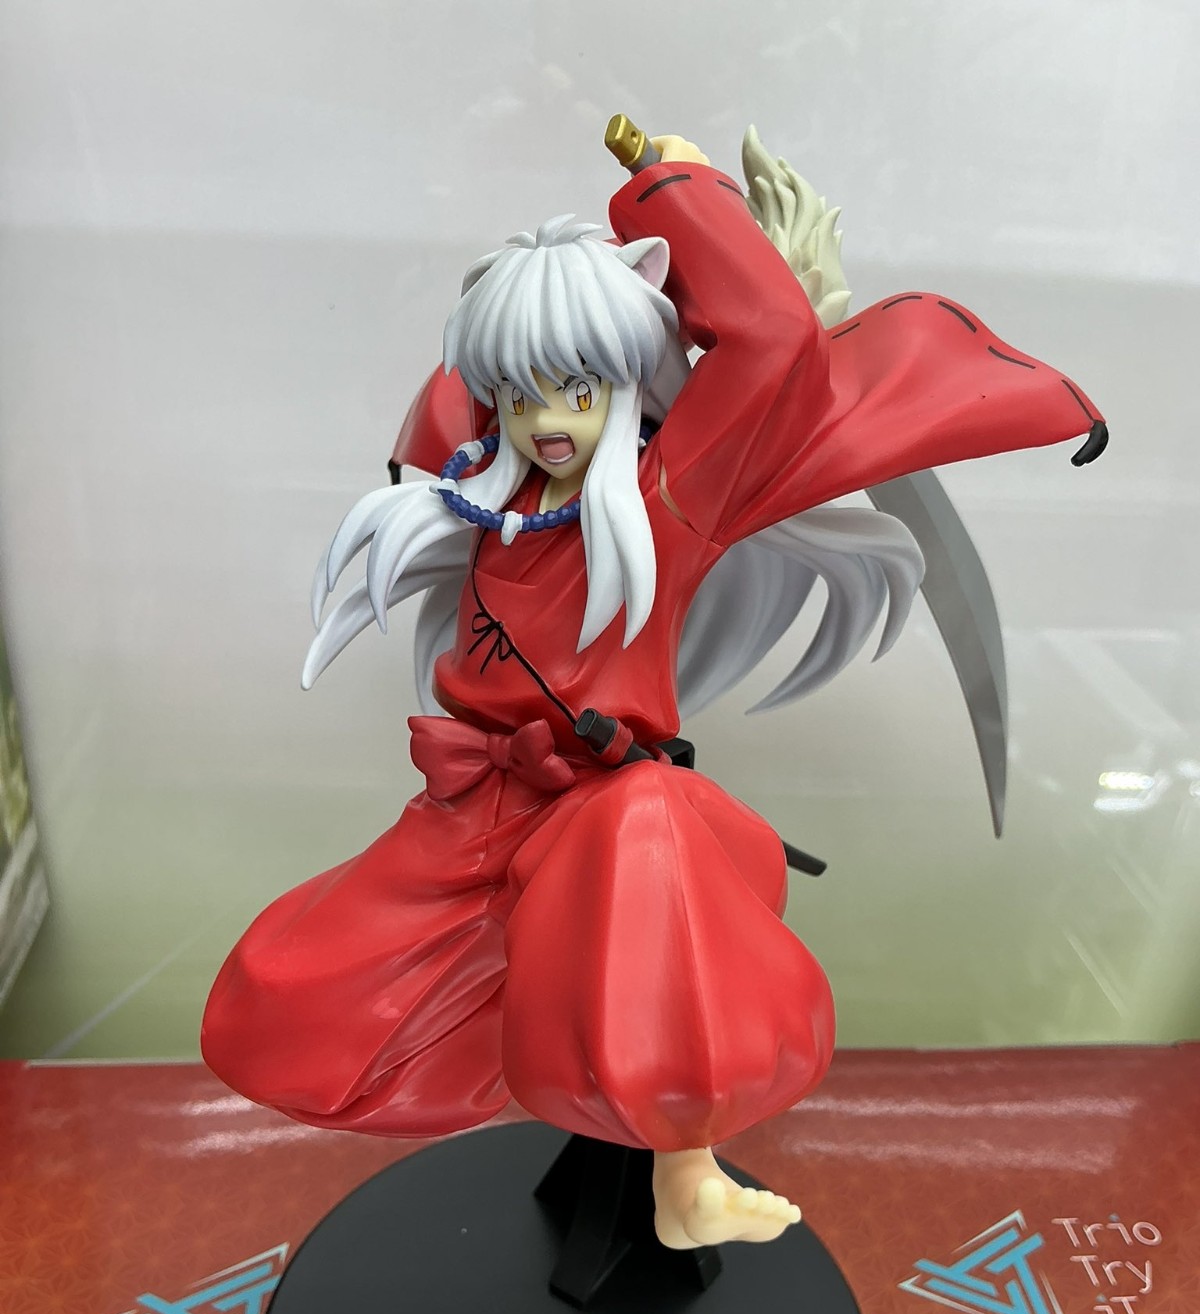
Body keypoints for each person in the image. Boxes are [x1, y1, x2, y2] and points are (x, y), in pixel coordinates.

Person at [202, 133, 1104, 1248]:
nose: (548, 419)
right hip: (473, 804)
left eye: (579, 389)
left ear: (626, 383)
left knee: (647, 861)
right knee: (294, 994)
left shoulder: (668, 496)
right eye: (521, 392)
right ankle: (617, 1154)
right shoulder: (479, 494)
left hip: (599, 800)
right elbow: (459, 407)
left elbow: (769, 341)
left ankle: (685, 1175)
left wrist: (669, 184)